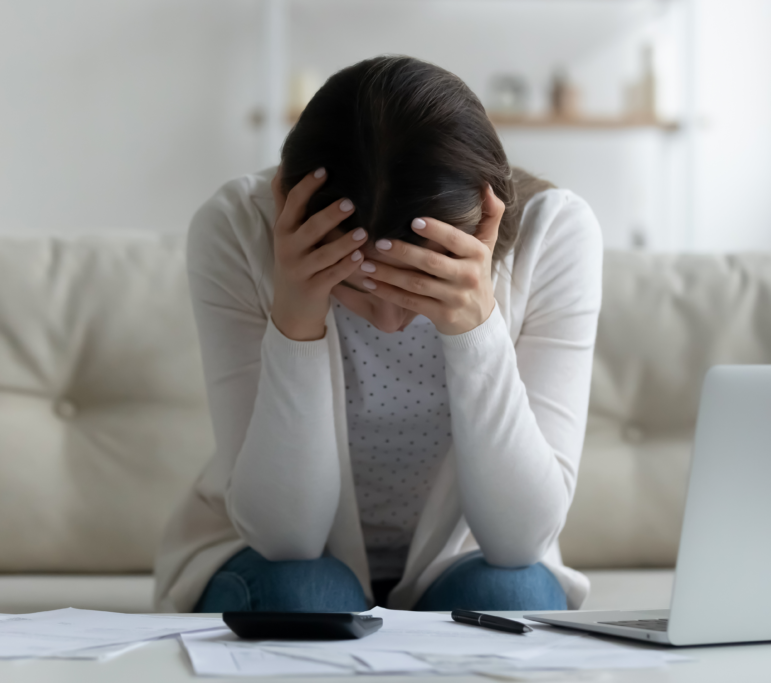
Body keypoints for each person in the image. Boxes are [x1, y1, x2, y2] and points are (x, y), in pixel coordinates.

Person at [154, 56, 603, 614]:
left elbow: (520, 543)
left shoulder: (554, 232)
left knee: (514, 593)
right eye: (357, 288)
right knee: (309, 594)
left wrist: (475, 329)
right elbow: (286, 539)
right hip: (267, 558)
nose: (388, 321)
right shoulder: (238, 230)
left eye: (422, 285)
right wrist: (296, 319)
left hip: (470, 559)